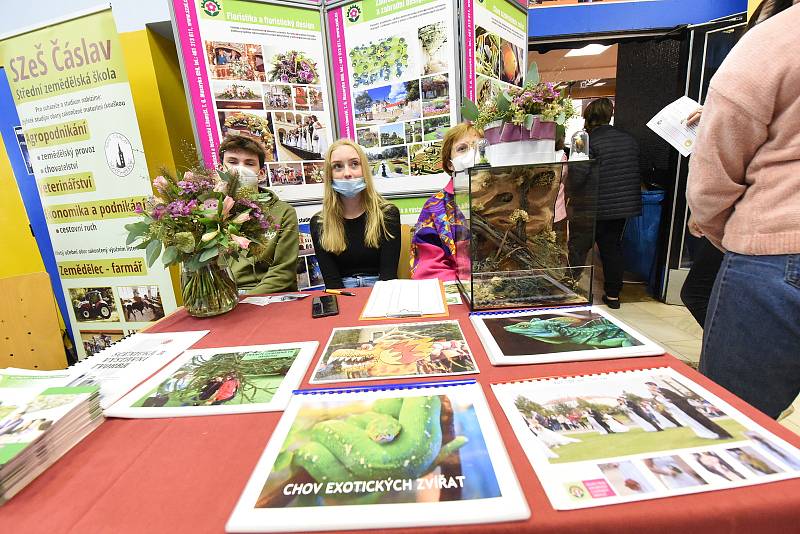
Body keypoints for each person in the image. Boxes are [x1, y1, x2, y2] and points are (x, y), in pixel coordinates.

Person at [685, 3, 800, 419]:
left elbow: (712, 172)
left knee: (732, 425)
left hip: (774, 250)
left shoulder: (774, 40)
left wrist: (722, 233)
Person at [568, 97, 642, 309]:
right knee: (611, 249)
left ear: (588, 116)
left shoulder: (583, 139)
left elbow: (578, 174)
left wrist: (571, 196)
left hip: (591, 205)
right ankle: (613, 296)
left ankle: (570, 286)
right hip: (620, 207)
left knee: (579, 246)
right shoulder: (628, 139)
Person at [310, 139, 401, 288]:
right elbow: (332, 284)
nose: (347, 173)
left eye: (354, 164)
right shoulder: (319, 223)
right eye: (338, 166)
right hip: (343, 293)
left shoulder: (388, 215)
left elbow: (388, 277)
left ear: (364, 169)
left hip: (380, 290)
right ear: (329, 175)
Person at [220, 135, 300, 294]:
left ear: (261, 173)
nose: (239, 169)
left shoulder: (283, 212)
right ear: (222, 168)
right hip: (227, 295)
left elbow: (283, 272)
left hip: (270, 296)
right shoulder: (206, 212)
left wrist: (247, 301)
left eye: (249, 164)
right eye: (232, 162)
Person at [410, 123, 477, 281]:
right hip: (457, 289)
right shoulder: (434, 207)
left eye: (478, 146)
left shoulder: (508, 198)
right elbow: (428, 266)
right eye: (462, 148)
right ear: (449, 164)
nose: (472, 154)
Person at [646, 382, 732, 439]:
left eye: (650, 387)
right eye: (649, 388)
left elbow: (680, 399)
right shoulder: (656, 397)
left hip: (685, 408)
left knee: (702, 420)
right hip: (677, 411)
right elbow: (665, 404)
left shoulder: (664, 390)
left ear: (654, 385)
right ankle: (704, 433)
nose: (650, 389)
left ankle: (720, 434)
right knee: (692, 422)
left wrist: (670, 400)